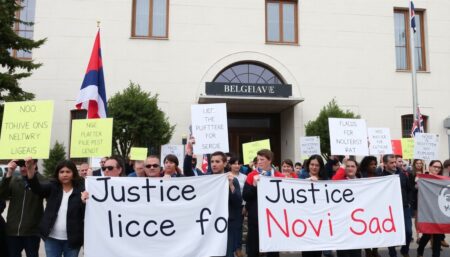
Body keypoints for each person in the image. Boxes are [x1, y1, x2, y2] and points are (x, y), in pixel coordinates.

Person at [26, 159, 84, 257]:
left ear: (73, 173)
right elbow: (36, 188)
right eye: (61, 172)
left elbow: (86, 212)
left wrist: (84, 201)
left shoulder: (81, 190)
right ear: (57, 174)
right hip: (52, 239)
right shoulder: (52, 187)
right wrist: (30, 169)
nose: (65, 174)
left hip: (73, 240)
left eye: (68, 172)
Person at [0, 159, 45, 257]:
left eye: (26, 165)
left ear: (35, 164)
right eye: (21, 166)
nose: (23, 168)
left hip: (32, 232)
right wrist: (9, 173)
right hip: (12, 231)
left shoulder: (42, 180)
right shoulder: (15, 180)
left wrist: (31, 176)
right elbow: (2, 195)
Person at [243, 149, 283, 257]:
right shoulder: (251, 175)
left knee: (273, 249)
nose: (259, 162)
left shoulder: (280, 176)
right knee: (253, 248)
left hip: (274, 219)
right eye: (258, 159)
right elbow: (245, 196)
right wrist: (254, 186)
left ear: (269, 161)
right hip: (255, 218)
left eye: (262, 159)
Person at [210, 152, 242, 257]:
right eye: (212, 161)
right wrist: (188, 153)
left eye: (217, 161)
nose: (214, 164)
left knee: (227, 253)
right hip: (210, 223)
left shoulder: (232, 179)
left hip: (227, 224)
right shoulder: (206, 180)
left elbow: (238, 202)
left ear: (224, 164)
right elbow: (188, 171)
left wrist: (231, 185)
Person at [381, 154, 412, 257]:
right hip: (389, 209)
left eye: (395, 162)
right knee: (391, 233)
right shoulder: (381, 177)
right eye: (391, 163)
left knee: (408, 232)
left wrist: (408, 201)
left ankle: (405, 250)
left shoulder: (402, 174)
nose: (395, 164)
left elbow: (408, 189)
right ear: (385, 164)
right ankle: (392, 253)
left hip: (404, 207)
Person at [417, 160, 447, 257]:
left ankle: (435, 254)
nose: (437, 169)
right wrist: (419, 182)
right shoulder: (422, 177)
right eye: (435, 166)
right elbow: (416, 188)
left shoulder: (443, 179)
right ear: (429, 167)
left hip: (438, 210)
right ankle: (420, 250)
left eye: (439, 167)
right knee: (427, 234)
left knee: (437, 233)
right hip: (426, 209)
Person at [334, 159, 362, 257]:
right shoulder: (340, 181)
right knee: (343, 253)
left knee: (356, 253)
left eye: (352, 166)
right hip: (343, 224)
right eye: (348, 166)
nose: (350, 168)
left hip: (357, 224)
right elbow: (333, 182)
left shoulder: (363, 182)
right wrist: (342, 166)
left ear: (356, 168)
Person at [229, 156, 247, 257]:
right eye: (234, 163)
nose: (237, 165)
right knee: (231, 229)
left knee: (239, 228)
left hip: (240, 206)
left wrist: (245, 206)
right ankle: (231, 248)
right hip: (230, 207)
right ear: (230, 165)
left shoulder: (244, 177)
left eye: (238, 163)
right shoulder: (227, 176)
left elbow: (245, 193)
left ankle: (238, 249)